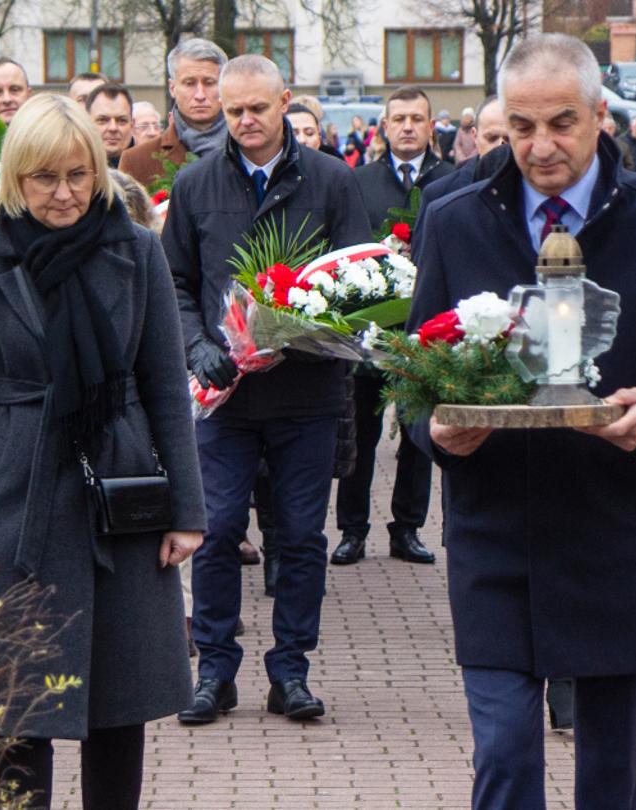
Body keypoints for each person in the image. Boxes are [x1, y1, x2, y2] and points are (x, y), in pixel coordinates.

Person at [407, 33, 636, 809]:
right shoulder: (455, 219)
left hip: (614, 530)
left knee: (612, 778)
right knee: (505, 757)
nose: (539, 146)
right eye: (521, 127)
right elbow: (414, 379)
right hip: (494, 532)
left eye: (560, 123)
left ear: (602, 116)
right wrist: (437, 434)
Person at [0, 93, 204, 810]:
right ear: (17, 177)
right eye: (46, 177)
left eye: (79, 174)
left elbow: (167, 387)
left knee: (119, 703)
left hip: (120, 496)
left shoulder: (137, 251)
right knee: (14, 706)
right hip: (14, 505)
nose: (66, 193)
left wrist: (188, 511)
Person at [165, 55, 366, 726]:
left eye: (258, 108)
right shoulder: (195, 185)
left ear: (285, 102)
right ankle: (215, 670)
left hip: (306, 392)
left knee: (302, 536)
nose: (246, 121)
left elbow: (359, 279)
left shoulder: (334, 181)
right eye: (233, 111)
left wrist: (303, 331)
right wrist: (197, 344)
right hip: (224, 398)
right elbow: (175, 282)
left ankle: (291, 672)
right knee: (217, 529)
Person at [337, 86, 450, 567]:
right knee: (359, 434)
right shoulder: (359, 182)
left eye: (416, 118)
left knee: (418, 433)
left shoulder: (450, 180)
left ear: (430, 126)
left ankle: (407, 528)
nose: (407, 126)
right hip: (369, 333)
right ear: (384, 126)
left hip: (426, 330)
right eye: (398, 118)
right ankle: (351, 531)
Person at [122, 38, 227, 188]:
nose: (200, 95)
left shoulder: (250, 151)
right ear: (172, 88)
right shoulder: (137, 161)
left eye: (209, 83)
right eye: (189, 83)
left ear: (224, 85)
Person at [422, 98, 511, 203]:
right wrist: (461, 156)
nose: (500, 146)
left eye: (509, 139)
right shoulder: (439, 194)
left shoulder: (533, 189)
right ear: (475, 136)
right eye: (491, 138)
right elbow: (457, 145)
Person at [85, 84, 136, 170]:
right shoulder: (72, 165)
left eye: (121, 120)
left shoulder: (149, 166)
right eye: (103, 120)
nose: (113, 128)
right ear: (87, 123)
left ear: (132, 125)